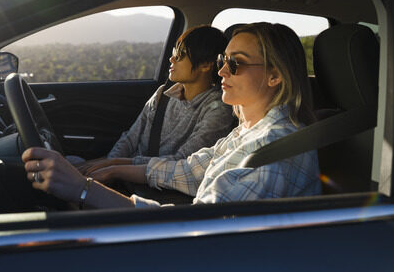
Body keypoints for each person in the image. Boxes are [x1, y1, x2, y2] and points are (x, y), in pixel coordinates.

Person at [22, 22, 321, 209]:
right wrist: (106, 171)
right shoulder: (247, 132)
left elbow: (197, 232)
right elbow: (190, 171)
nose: (221, 71)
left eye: (236, 63)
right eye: (222, 60)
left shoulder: (276, 151)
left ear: (274, 77)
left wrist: (84, 190)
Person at [76, 25, 234, 176]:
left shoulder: (217, 111)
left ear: (205, 65)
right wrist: (106, 164)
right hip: (122, 172)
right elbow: (130, 138)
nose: (172, 59)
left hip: (153, 184)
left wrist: (116, 166)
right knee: (70, 164)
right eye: (173, 52)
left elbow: (182, 163)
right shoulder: (163, 95)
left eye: (180, 55)